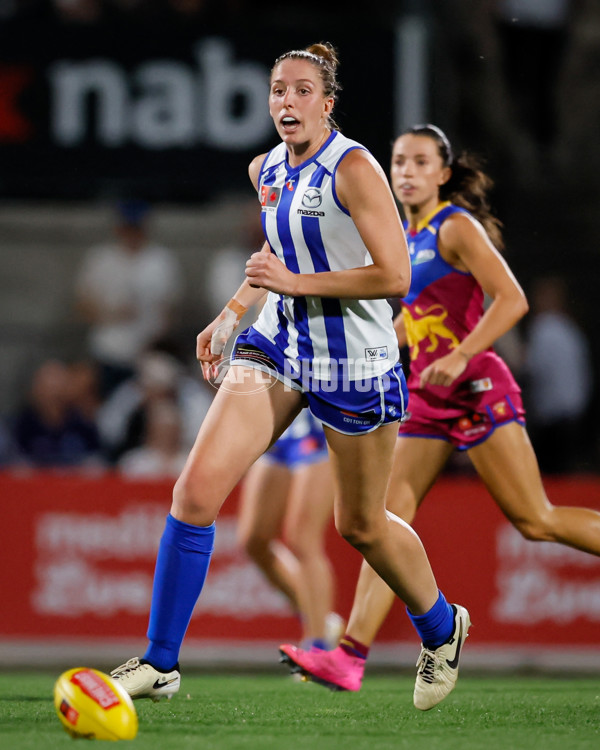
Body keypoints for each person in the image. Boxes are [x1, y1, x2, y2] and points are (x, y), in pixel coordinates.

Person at [109, 43, 469, 713]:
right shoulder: (266, 168)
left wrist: (295, 283)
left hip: (355, 362)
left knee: (360, 525)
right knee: (194, 493)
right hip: (278, 348)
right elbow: (280, 248)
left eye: (302, 90)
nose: (286, 101)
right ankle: (160, 663)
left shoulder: (356, 168)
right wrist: (230, 314)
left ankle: (443, 628)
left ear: (326, 104)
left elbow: (394, 276)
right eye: (278, 90)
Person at [278, 123, 600, 694]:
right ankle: (350, 656)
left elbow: (512, 299)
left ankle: (373, 648)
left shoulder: (454, 226)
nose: (405, 171)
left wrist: (462, 353)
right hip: (427, 397)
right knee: (381, 521)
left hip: (475, 386)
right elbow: (417, 317)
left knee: (534, 520)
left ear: (444, 174)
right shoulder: (402, 234)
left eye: (420, 162)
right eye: (399, 161)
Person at [237, 409, 343, 652]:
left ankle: (318, 645)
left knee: (302, 540)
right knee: (254, 540)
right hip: (282, 428)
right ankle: (322, 622)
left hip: (321, 426)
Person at [75, 199, 184, 398]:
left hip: (147, 352)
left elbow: (170, 309)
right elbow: (83, 304)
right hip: (108, 351)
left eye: (136, 227)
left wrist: (156, 341)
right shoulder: (101, 259)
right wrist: (111, 314)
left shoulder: (160, 261)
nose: (132, 233)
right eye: (128, 227)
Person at [523, 275, 593, 473]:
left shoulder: (544, 327)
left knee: (553, 477)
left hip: (553, 416)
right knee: (566, 472)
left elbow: (534, 369)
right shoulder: (570, 327)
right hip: (575, 411)